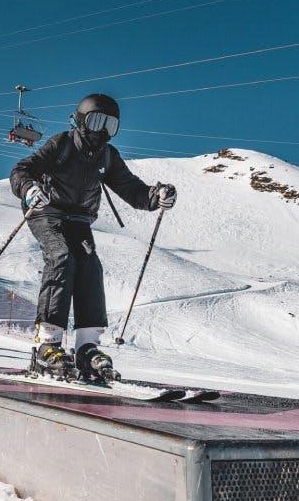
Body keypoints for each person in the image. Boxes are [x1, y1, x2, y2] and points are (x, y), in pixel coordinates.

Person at [9, 93, 176, 380]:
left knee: (89, 267)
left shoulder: (107, 156)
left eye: (110, 126)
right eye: (97, 121)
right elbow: (22, 170)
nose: (102, 131)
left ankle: (87, 347)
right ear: (81, 120)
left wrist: (155, 196)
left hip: (80, 219)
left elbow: (132, 189)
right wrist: (28, 189)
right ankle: (45, 345)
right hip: (47, 211)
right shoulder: (61, 144)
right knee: (61, 258)